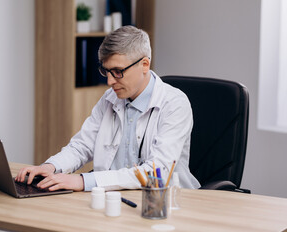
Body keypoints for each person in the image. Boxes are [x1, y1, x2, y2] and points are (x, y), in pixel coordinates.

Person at [16, 25, 200, 191]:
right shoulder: (110, 98)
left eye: (118, 72)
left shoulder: (174, 103)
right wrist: (50, 167)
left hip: (162, 203)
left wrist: (83, 181)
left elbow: (157, 172)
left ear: (144, 64)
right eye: (106, 71)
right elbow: (82, 146)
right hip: (114, 200)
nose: (110, 81)